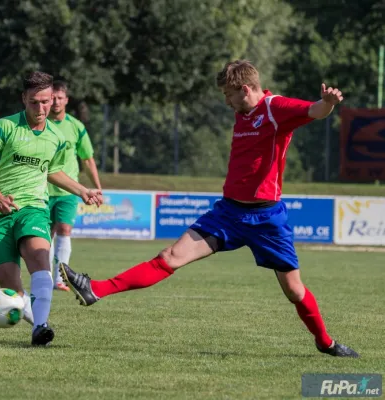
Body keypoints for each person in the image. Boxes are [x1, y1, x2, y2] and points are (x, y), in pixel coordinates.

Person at [59, 60, 360, 358]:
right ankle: (96, 288)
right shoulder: (243, 113)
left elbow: (315, 111)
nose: (227, 102)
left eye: (228, 95)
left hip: (267, 217)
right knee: (169, 257)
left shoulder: (274, 107)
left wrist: (328, 103)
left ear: (244, 89)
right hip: (228, 213)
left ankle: (326, 343)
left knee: (294, 291)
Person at [0, 71, 103, 347]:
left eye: (45, 101)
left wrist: (82, 190)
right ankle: (37, 320)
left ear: (53, 98)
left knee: (40, 259)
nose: (41, 108)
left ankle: (40, 327)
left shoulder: (55, 137)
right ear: (23, 99)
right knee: (14, 291)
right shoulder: (4, 128)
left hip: (33, 208)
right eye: (34, 102)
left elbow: (53, 171)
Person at [47, 80, 102, 291]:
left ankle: (60, 278)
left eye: (60, 98)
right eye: (52, 98)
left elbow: (87, 159)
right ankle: (46, 276)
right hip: (42, 189)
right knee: (45, 234)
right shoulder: (41, 124)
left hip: (68, 189)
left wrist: (97, 186)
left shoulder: (76, 127)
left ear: (66, 100)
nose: (55, 102)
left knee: (64, 228)